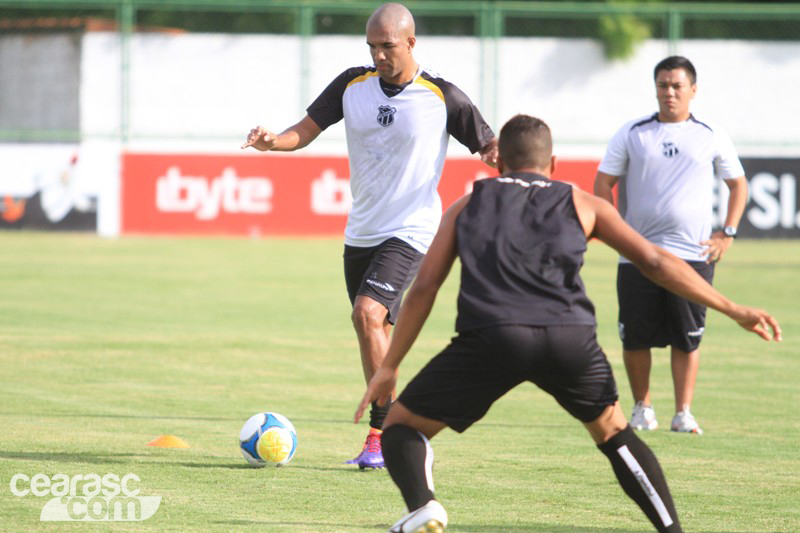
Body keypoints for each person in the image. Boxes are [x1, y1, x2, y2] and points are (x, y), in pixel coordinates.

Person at [355, 115, 780, 533]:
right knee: (615, 434)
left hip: (491, 338)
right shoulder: (582, 202)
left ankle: (424, 507)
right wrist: (732, 308)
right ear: (553, 164)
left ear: (499, 163)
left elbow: (426, 287)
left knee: (402, 427)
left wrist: (390, 364)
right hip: (569, 340)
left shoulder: (467, 204)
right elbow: (653, 261)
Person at [242, 2, 497, 468]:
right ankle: (400, 434)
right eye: (372, 46)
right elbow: (305, 129)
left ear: (411, 42)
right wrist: (271, 141)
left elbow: (489, 144)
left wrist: (502, 157)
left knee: (367, 314)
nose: (379, 55)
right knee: (374, 331)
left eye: (388, 46)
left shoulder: (442, 96)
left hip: (412, 230)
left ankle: (386, 435)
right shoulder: (351, 85)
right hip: (361, 233)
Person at [593, 56, 749, 434]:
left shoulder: (711, 133)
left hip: (693, 255)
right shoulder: (633, 132)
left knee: (687, 336)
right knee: (635, 336)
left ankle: (683, 412)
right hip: (638, 256)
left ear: (693, 90)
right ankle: (642, 408)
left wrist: (725, 233)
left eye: (677, 85)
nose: (670, 92)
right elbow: (602, 184)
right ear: (656, 89)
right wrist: (618, 233)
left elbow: (738, 184)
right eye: (663, 85)